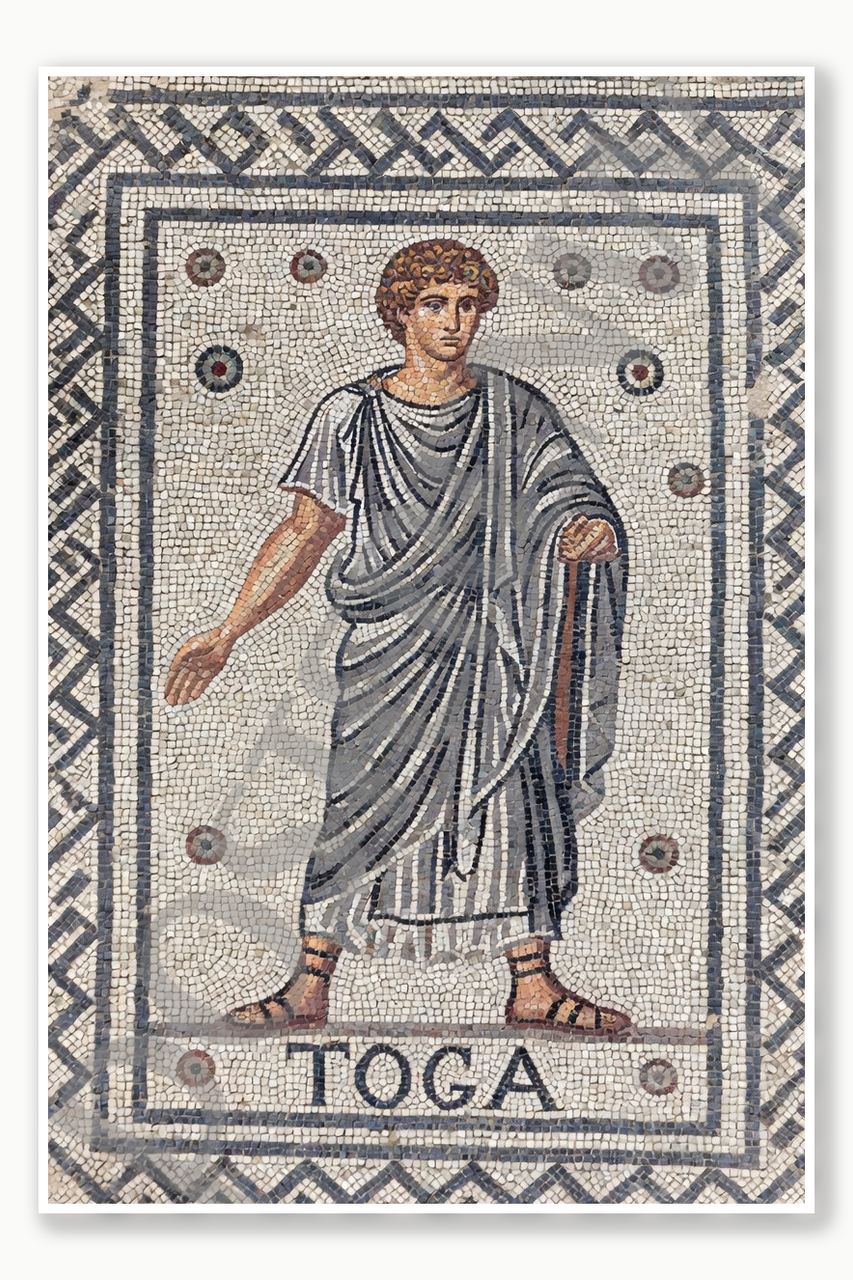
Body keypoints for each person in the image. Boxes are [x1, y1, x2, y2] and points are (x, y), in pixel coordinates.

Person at [165, 239, 632, 1036]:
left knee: (511, 797)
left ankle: (532, 983)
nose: (454, 322)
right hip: (389, 645)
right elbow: (306, 530)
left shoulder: (514, 408)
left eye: (468, 305)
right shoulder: (350, 414)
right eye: (434, 304)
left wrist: (587, 528)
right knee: (359, 803)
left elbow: (569, 496)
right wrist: (228, 631)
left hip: (496, 641)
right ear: (399, 313)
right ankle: (309, 983)